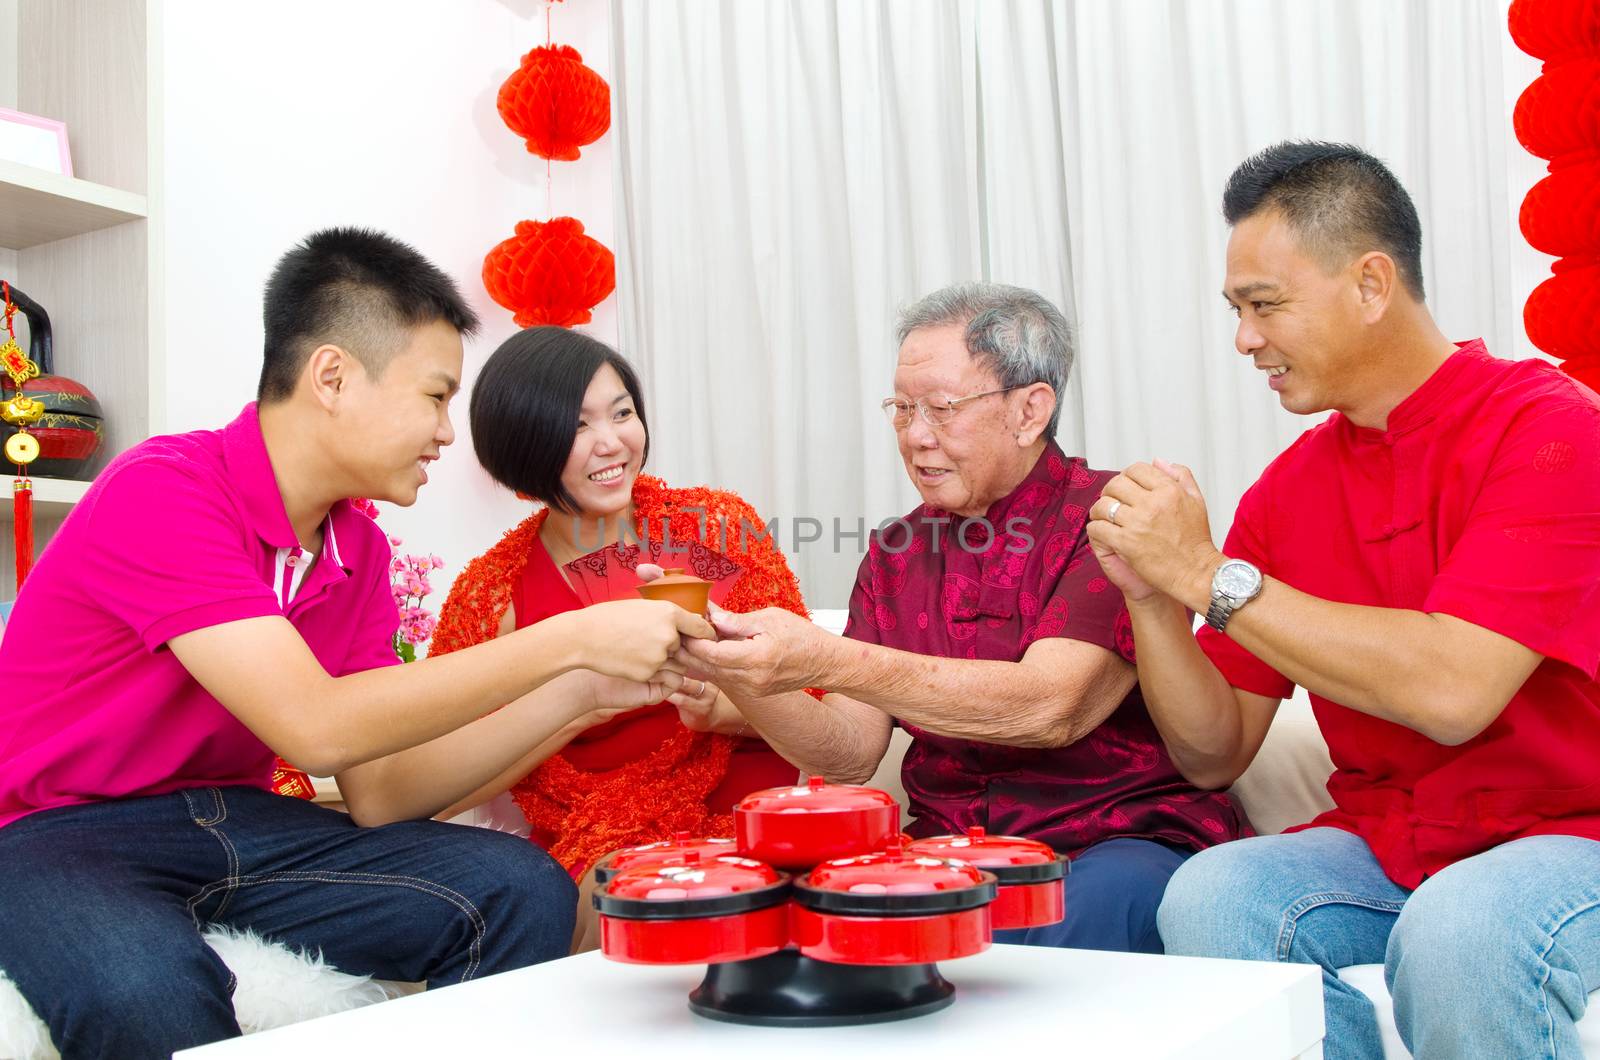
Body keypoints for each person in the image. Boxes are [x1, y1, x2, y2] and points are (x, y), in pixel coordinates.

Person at [0, 228, 711, 1060]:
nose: (447, 433)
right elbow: (317, 727)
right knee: (142, 987)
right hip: (55, 833)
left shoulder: (358, 549)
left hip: (241, 822)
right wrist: (571, 640)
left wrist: (584, 690)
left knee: (518, 887)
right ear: (332, 378)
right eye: (435, 396)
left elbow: (379, 793)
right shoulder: (164, 492)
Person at [1085, 142, 1600, 1059]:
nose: (1245, 338)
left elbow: (1455, 693)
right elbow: (1213, 754)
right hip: (1396, 840)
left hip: (1578, 835)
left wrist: (1207, 574)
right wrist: (1158, 601)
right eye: (1236, 310)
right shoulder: (1287, 491)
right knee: (1213, 896)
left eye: (1265, 305)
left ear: (1370, 283)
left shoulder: (1553, 429)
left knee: (1468, 926)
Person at [680, 282, 1249, 954]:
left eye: (942, 409)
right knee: (814, 939)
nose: (915, 436)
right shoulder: (898, 551)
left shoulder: (1113, 519)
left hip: (1114, 840)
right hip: (948, 852)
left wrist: (826, 658)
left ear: (1030, 410)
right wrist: (737, 666)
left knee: (1060, 931)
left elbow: (1049, 707)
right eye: (901, 409)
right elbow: (850, 751)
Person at [429, 327, 811, 947]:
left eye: (623, 413)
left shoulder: (713, 529)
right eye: (577, 426)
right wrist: (575, 702)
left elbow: (811, 690)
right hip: (602, 848)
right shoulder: (493, 593)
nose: (611, 442)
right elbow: (440, 774)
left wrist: (724, 709)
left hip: (753, 817)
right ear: (524, 443)